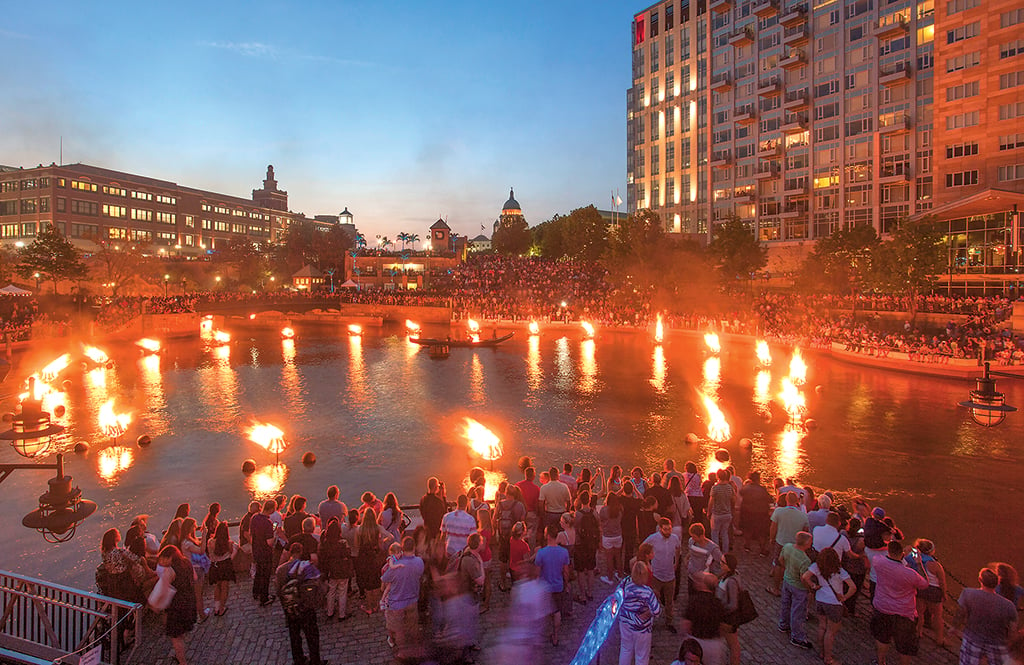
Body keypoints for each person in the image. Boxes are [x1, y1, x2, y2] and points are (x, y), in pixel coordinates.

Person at [871, 540, 927, 665]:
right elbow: (924, 583)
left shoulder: (878, 562)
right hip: (904, 614)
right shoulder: (910, 574)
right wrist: (918, 563)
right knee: (905, 646)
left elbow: (882, 556)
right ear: (901, 553)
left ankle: (881, 662)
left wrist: (902, 555)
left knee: (882, 638)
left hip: (882, 607)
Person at [802, 547, 855, 665]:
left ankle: (821, 651)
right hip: (834, 603)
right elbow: (853, 587)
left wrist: (813, 585)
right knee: (831, 632)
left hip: (820, 600)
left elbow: (805, 577)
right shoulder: (840, 571)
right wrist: (845, 597)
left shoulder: (816, 566)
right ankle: (828, 657)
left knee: (822, 627)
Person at [276, 542, 327, 665]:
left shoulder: (280, 570)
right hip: (305, 606)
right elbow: (318, 585)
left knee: (294, 635)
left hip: (290, 606)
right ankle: (315, 660)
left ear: (290, 553)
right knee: (312, 636)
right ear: (301, 552)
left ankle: (298, 659)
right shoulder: (307, 566)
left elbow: (278, 590)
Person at [956, 566, 1018, 665]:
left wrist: (955, 628)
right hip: (998, 644)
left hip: (972, 641)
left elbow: (960, 614)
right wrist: (1009, 645)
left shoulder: (968, 593)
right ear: (997, 583)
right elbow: (1012, 630)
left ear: (980, 580)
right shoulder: (1009, 605)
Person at [381, 536, 425, 659]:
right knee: (413, 626)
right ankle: (415, 648)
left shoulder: (397, 565)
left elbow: (384, 579)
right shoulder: (419, 562)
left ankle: (403, 652)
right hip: (412, 600)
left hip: (396, 603)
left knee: (399, 629)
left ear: (402, 548)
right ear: (414, 547)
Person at [158, 545, 197, 665]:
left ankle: (182, 662)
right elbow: (194, 578)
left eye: (164, 559)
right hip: (189, 601)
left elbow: (162, 590)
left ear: (170, 557)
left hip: (176, 605)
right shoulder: (186, 562)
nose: (162, 562)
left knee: (176, 636)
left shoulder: (170, 570)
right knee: (181, 632)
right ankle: (180, 654)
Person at [618, 560, 661, 665]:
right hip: (642, 628)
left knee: (625, 649)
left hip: (625, 623)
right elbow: (657, 611)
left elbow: (617, 599)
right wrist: (648, 613)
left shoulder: (625, 585)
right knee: (641, 655)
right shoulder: (647, 592)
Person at [904, 539, 946, 646]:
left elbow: (906, 554)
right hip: (933, 590)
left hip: (919, 587)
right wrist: (944, 594)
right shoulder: (934, 564)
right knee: (937, 615)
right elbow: (942, 581)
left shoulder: (911, 558)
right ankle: (939, 638)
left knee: (919, 612)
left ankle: (918, 632)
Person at [642, 517, 681, 633]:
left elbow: (678, 549)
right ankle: (650, 621)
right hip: (656, 575)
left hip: (670, 576)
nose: (668, 532)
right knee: (653, 600)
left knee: (670, 602)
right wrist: (647, 563)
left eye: (669, 529)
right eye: (665, 529)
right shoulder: (653, 538)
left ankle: (669, 621)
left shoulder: (674, 538)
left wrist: (676, 562)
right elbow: (642, 548)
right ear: (660, 529)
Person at [534, 524, 570, 646]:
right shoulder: (564, 552)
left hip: (545, 587)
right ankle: (555, 635)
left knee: (544, 611)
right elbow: (566, 571)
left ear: (548, 536)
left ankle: (543, 633)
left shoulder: (541, 553)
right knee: (557, 611)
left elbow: (537, 573)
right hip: (558, 586)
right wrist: (567, 584)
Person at [768, 492, 809, 596]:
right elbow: (805, 532)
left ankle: (776, 588)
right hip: (796, 544)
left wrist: (771, 538)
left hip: (781, 541)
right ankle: (792, 586)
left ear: (786, 500)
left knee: (778, 564)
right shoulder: (803, 515)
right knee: (793, 565)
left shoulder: (779, 511)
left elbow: (773, 527)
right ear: (797, 501)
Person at [682, 572, 728, 665]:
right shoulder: (718, 603)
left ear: (704, 585)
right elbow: (723, 626)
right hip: (714, 645)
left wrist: (684, 639)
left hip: (696, 642)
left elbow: (686, 624)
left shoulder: (694, 601)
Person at [778, 531, 813, 650]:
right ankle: (797, 637)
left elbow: (780, 559)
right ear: (806, 543)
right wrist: (810, 588)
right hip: (799, 587)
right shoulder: (805, 560)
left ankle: (783, 624)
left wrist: (786, 568)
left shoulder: (787, 547)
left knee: (785, 604)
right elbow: (803, 578)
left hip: (787, 580)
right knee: (797, 611)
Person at [355, 508, 392, 614]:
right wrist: (381, 541)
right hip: (375, 557)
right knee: (376, 581)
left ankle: (370, 606)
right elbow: (390, 536)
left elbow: (357, 545)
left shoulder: (359, 529)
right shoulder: (377, 528)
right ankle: (377, 605)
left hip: (363, 558)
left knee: (367, 582)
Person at [318, 519, 354, 621]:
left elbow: (323, 558)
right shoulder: (343, 542)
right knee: (342, 592)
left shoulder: (325, 544)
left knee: (331, 592)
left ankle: (330, 612)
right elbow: (348, 554)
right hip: (342, 570)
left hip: (331, 571)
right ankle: (342, 614)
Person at [179, 518, 211, 621]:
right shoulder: (187, 543)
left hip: (195, 568)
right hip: (195, 569)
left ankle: (199, 613)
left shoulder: (188, 539)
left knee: (198, 593)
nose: (195, 528)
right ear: (189, 527)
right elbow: (201, 551)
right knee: (198, 594)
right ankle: (202, 615)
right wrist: (204, 535)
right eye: (194, 526)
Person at [573, 490, 600, 601]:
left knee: (580, 571)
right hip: (591, 544)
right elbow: (598, 527)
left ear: (580, 500)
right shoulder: (594, 513)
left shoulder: (578, 514)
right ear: (589, 500)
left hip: (580, 544)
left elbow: (575, 528)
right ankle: (590, 592)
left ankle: (582, 595)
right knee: (590, 569)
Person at [206, 522, 237, 616]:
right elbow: (232, 553)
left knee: (217, 586)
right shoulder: (228, 543)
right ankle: (222, 608)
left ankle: (216, 608)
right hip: (225, 565)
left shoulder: (210, 542)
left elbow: (210, 555)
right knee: (224, 587)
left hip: (215, 566)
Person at [717, 553, 743, 665]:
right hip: (724, 617)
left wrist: (720, 611)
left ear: (728, 566)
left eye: (722, 562)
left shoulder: (731, 581)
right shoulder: (726, 575)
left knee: (733, 645)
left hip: (728, 619)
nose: (720, 563)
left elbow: (733, 605)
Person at [251, 499, 277, 606]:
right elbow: (270, 542)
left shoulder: (254, 518)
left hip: (256, 550)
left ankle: (255, 592)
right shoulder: (268, 523)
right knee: (265, 576)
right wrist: (274, 534)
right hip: (265, 553)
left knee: (258, 572)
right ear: (271, 509)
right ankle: (264, 598)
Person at [737, 471, 771, 555]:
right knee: (761, 532)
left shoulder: (745, 488)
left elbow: (741, 493)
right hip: (760, 513)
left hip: (747, 513)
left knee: (748, 530)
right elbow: (769, 499)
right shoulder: (762, 489)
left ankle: (747, 546)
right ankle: (762, 548)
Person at [685, 522, 723, 588]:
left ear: (702, 536)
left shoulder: (713, 548)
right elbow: (690, 551)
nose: (693, 539)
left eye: (694, 537)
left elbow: (724, 564)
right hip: (691, 577)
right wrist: (686, 559)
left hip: (704, 582)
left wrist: (714, 578)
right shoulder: (691, 541)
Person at [707, 469, 735, 553]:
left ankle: (716, 551)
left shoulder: (715, 488)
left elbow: (711, 501)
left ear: (718, 477)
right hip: (727, 513)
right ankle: (725, 551)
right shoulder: (730, 487)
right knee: (724, 533)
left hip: (717, 514)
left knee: (715, 533)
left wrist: (709, 512)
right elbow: (734, 499)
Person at [599, 492, 624, 583]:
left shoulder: (603, 510)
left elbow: (600, 521)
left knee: (609, 558)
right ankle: (620, 574)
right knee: (618, 556)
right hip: (617, 535)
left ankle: (609, 577)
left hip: (607, 536)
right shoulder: (620, 510)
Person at [419, 477, 447, 542]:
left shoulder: (423, 499)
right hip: (437, 529)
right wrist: (442, 496)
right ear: (435, 487)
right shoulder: (437, 501)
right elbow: (444, 513)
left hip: (427, 528)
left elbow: (422, 513)